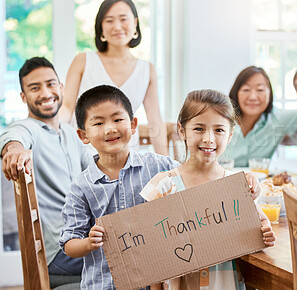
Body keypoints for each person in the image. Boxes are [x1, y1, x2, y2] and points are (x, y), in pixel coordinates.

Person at [139, 89, 276, 289]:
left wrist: (265, 232)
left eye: (219, 130)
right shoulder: (164, 185)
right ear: (182, 131)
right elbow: (152, 254)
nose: (209, 139)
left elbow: (260, 221)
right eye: (199, 129)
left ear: (230, 135)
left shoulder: (235, 185)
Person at [59, 85, 179, 290]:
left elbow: (196, 178)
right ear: (83, 135)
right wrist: (88, 243)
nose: (110, 129)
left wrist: (246, 180)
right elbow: (69, 244)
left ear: (133, 125)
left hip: (154, 283)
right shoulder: (81, 187)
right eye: (98, 123)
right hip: (104, 284)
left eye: (117, 119)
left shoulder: (159, 166)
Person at [0, 57, 89, 282]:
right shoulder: (28, 128)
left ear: (61, 87)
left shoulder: (72, 134)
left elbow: (99, 173)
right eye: (34, 88)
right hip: (60, 251)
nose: (45, 93)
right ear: (23, 97)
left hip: (81, 239)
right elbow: (13, 137)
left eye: (50, 84)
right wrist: (13, 150)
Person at [60, 0, 168, 155]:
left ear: (135, 23)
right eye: (109, 20)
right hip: (83, 152)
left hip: (126, 154)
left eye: (123, 19)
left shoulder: (147, 70)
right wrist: (45, 128)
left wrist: (169, 167)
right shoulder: (83, 61)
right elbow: (67, 107)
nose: (117, 26)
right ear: (101, 28)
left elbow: (155, 120)